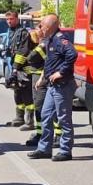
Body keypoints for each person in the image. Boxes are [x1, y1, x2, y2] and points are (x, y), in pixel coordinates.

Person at [28, 15, 77, 162]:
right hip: (51, 86)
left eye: (41, 25)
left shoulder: (60, 40)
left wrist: (61, 72)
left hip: (62, 86)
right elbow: (50, 62)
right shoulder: (49, 40)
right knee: (46, 115)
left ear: (49, 26)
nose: (39, 28)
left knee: (63, 119)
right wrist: (43, 78)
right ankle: (44, 149)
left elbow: (72, 54)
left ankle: (65, 150)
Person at [23, 27, 61, 147]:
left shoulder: (44, 44)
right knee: (40, 108)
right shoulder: (46, 43)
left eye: (40, 28)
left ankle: (58, 136)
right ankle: (41, 134)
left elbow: (31, 57)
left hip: (43, 79)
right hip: (40, 78)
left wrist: (32, 46)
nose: (37, 30)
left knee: (46, 108)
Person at [2, 11, 33, 128]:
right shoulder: (10, 32)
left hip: (24, 68)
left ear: (17, 18)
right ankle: (19, 118)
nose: (9, 21)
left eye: (11, 19)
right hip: (14, 67)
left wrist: (15, 68)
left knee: (26, 94)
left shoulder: (23, 33)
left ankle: (30, 122)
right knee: (17, 93)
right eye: (7, 19)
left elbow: (23, 51)